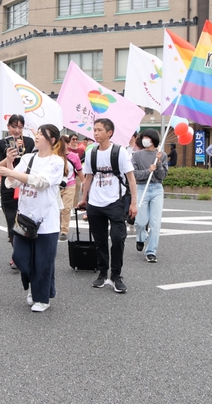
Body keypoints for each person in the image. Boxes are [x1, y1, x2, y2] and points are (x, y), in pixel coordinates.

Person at [0, 124, 66, 312]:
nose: (37, 136)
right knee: (20, 258)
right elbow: (12, 183)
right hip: (25, 218)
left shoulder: (57, 162)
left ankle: (41, 298)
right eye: (37, 133)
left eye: (42, 134)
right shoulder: (28, 158)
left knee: (43, 262)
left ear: (52, 141)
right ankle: (37, 288)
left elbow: (41, 182)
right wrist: (10, 163)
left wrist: (11, 172)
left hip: (46, 220)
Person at [76, 118, 137, 294]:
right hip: (95, 203)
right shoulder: (91, 153)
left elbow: (131, 179)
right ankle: (103, 273)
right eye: (94, 130)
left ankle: (116, 276)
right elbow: (88, 177)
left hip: (115, 202)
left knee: (118, 239)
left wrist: (133, 203)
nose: (95, 133)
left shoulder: (120, 152)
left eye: (99, 130)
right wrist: (84, 198)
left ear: (109, 133)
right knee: (100, 241)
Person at [0, 114, 35, 269]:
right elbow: (0, 166)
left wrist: (22, 150)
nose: (17, 130)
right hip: (9, 186)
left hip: (26, 185)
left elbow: (33, 161)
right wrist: (9, 157)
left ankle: (27, 252)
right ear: (8, 127)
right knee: (12, 222)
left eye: (20, 127)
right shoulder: (1, 144)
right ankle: (17, 254)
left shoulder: (30, 142)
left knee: (27, 220)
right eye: (14, 126)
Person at [132, 129, 168, 263]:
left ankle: (151, 251)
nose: (144, 140)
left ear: (154, 139)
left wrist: (158, 164)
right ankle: (140, 237)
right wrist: (148, 171)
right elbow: (134, 174)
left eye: (147, 137)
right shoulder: (136, 155)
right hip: (141, 188)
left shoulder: (162, 155)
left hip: (157, 189)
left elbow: (163, 176)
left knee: (155, 223)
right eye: (143, 137)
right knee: (141, 222)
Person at [59, 135, 84, 241]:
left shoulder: (74, 156)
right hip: (56, 186)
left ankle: (64, 230)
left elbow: (79, 171)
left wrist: (84, 184)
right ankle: (56, 227)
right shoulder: (54, 155)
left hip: (70, 184)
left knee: (66, 208)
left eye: (65, 143)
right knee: (55, 208)